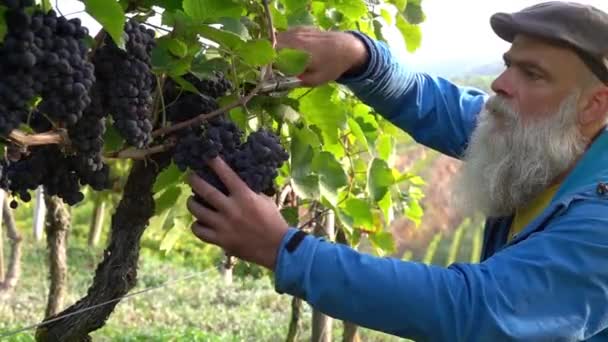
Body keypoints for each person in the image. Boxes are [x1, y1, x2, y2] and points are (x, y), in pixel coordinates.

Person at [186, 1, 608, 341]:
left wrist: (286, 250)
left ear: (594, 105)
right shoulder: (548, 132)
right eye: (509, 63)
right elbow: (441, 108)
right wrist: (359, 57)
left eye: (532, 74)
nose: (500, 83)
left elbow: (478, 311)